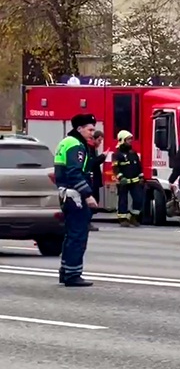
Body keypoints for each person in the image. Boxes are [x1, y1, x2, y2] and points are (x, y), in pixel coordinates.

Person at [53, 114, 99, 287]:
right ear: (79, 129)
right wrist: (88, 195)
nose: (92, 133)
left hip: (67, 194)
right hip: (75, 196)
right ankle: (73, 274)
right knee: (78, 235)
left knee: (71, 234)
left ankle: (65, 271)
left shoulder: (66, 142)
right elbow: (74, 172)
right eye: (90, 129)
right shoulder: (75, 144)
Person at [112, 130, 144, 227]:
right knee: (123, 200)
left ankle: (133, 217)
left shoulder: (133, 153)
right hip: (123, 182)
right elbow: (115, 168)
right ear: (122, 140)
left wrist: (141, 176)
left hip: (135, 181)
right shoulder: (116, 154)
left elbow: (139, 165)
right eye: (128, 139)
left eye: (131, 139)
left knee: (139, 199)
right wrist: (121, 177)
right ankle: (122, 219)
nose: (130, 141)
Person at [86, 130, 106, 231]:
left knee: (95, 200)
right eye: (99, 140)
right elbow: (92, 163)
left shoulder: (92, 148)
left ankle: (88, 221)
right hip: (91, 179)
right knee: (92, 201)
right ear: (93, 139)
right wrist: (103, 157)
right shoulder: (89, 148)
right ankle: (87, 222)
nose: (100, 143)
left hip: (94, 178)